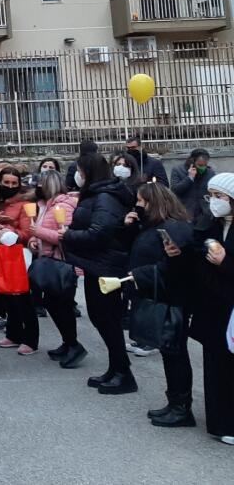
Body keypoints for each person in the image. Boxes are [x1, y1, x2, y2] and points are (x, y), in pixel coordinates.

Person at [61, 151, 137, 395]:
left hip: (106, 265)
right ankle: (116, 367)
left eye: (80, 172)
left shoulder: (104, 196)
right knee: (101, 317)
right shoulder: (97, 194)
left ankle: (123, 372)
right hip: (97, 264)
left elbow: (100, 232)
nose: (77, 176)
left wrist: (68, 236)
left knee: (107, 319)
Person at [120, 181, 194, 427]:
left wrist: (141, 274)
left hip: (173, 299)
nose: (138, 205)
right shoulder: (152, 227)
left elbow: (176, 265)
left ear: (155, 202)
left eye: (142, 201)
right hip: (160, 296)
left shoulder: (175, 228)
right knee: (169, 352)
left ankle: (182, 408)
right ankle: (175, 403)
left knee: (175, 353)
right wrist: (130, 228)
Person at [186, 172, 234, 444]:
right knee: (215, 364)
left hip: (231, 307)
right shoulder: (211, 223)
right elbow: (196, 251)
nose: (214, 202)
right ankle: (220, 420)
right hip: (213, 306)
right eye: (211, 196)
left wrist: (225, 262)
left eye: (220, 197)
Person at [29, 169, 84, 368]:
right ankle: (68, 342)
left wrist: (39, 232)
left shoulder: (63, 206)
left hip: (62, 263)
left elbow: (66, 236)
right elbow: (42, 231)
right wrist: (34, 240)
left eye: (42, 183)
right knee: (53, 303)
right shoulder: (45, 206)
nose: (38, 187)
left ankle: (73, 345)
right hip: (49, 259)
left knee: (63, 306)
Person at [0, 166, 38, 355]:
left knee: (23, 297)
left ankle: (31, 339)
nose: (10, 186)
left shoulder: (25, 203)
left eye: (14, 183)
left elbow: (27, 233)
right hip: (2, 252)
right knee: (7, 295)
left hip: (18, 253)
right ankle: (14, 333)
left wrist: (8, 229)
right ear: (0, 182)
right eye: (6, 183)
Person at [171, 148, 215, 221]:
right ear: (192, 161)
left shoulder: (210, 172)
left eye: (205, 165)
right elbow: (175, 190)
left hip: (204, 214)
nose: (203, 167)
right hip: (185, 212)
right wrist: (189, 178)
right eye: (200, 165)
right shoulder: (178, 170)